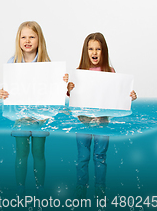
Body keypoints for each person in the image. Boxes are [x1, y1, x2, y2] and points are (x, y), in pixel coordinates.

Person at [0, 21, 68, 197]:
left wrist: (63, 81)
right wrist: (2, 93)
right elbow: (8, 89)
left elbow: (54, 90)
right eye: (23, 37)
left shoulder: (47, 64)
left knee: (39, 153)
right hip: (20, 117)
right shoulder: (12, 62)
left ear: (39, 40)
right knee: (21, 154)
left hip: (41, 118)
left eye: (32, 36)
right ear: (18, 40)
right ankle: (20, 189)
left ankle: (40, 188)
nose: (27, 40)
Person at [67, 32, 137, 199]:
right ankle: (81, 187)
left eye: (98, 49)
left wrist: (130, 96)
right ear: (86, 51)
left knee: (100, 156)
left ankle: (100, 188)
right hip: (83, 121)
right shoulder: (79, 72)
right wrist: (69, 89)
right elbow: (74, 96)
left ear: (104, 51)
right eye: (91, 48)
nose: (94, 52)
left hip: (102, 122)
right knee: (82, 157)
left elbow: (118, 94)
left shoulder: (110, 71)